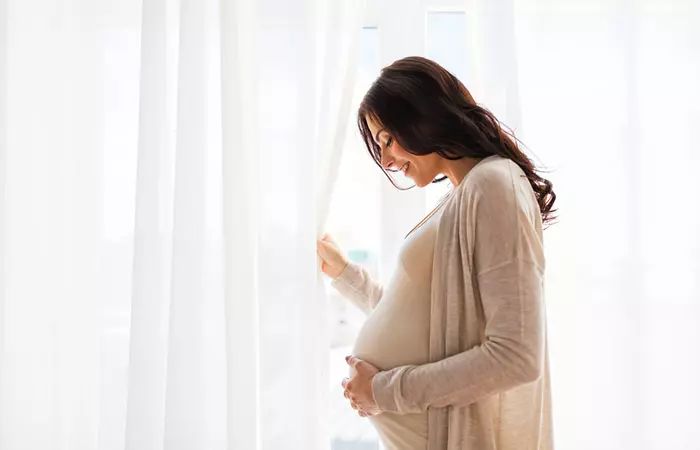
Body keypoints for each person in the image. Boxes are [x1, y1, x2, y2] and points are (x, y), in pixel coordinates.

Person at [316, 56, 556, 450]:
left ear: (422, 115)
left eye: (387, 140)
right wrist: (344, 274)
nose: (387, 161)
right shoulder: (465, 194)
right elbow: (429, 324)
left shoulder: (494, 186)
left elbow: (516, 356)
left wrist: (382, 392)